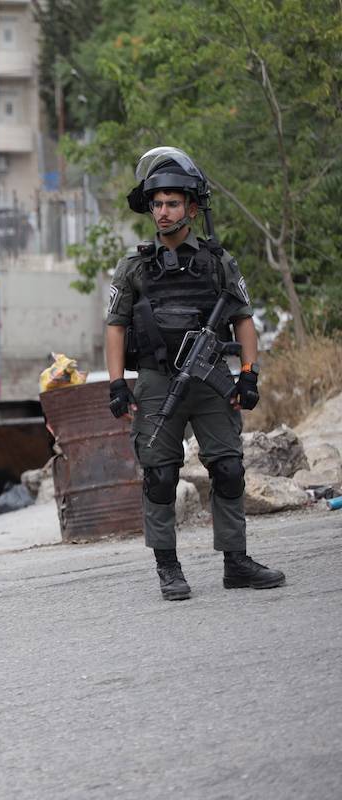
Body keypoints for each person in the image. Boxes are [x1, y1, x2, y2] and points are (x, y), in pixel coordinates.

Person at [104, 147, 285, 601]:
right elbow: (115, 326)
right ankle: (168, 568)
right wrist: (115, 386)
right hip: (156, 380)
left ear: (192, 207)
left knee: (227, 468)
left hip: (210, 382)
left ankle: (236, 562)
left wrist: (248, 374)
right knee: (160, 477)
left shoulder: (217, 261)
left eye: (172, 203)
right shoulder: (135, 266)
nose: (162, 213)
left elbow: (243, 319)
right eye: (157, 204)